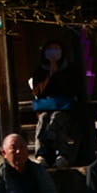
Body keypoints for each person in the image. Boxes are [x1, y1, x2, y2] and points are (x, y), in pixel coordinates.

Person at [30, 37, 84, 169]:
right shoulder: (40, 70)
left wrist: (58, 74)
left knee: (57, 119)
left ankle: (62, 154)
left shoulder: (69, 69)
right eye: (50, 49)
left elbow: (72, 89)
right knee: (43, 120)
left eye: (56, 49)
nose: (53, 52)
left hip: (64, 107)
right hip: (45, 107)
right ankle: (41, 154)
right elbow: (37, 91)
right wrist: (49, 75)